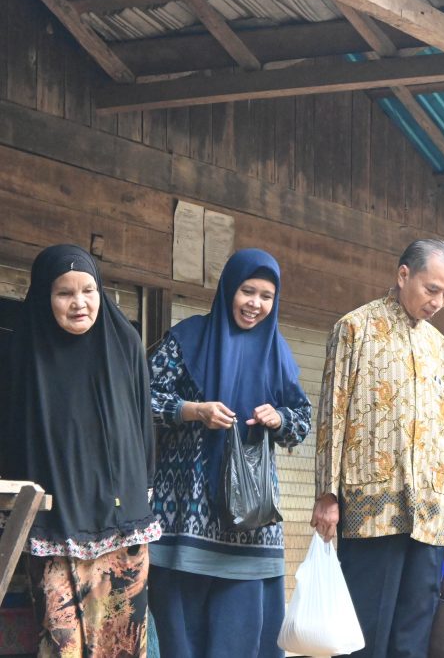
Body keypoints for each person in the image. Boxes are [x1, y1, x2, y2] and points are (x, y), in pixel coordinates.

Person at [311, 238, 444, 658]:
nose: (438, 301)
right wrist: (327, 494)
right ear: (403, 275)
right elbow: (332, 413)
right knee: (365, 631)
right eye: (431, 289)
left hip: (431, 512)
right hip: (372, 510)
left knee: (413, 635)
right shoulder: (355, 328)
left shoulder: (439, 347)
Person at [147, 249, 311, 658]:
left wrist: (280, 418)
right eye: (247, 291)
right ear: (228, 290)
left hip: (251, 525)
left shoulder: (278, 353)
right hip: (186, 517)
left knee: (241, 639)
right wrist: (193, 410)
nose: (255, 304)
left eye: (266, 296)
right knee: (182, 635)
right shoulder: (186, 339)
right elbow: (139, 397)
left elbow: (302, 418)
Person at [0, 244, 158, 657]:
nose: (79, 303)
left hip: (124, 529)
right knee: (62, 644)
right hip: (55, 525)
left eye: (87, 290)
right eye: (64, 293)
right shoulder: (24, 352)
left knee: (122, 644)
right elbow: (11, 434)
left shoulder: (124, 343)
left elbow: (143, 423)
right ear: (44, 298)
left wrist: (145, 488)